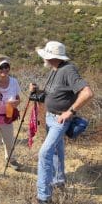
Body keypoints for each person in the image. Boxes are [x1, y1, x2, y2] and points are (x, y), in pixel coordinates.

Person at [29, 41, 94, 204]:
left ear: (53, 57)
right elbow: (51, 94)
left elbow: (87, 93)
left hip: (59, 120)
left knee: (44, 153)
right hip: (50, 118)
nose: (44, 59)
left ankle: (44, 197)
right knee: (57, 150)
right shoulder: (54, 69)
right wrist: (36, 92)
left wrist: (70, 112)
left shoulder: (68, 70)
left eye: (46, 56)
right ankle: (59, 180)